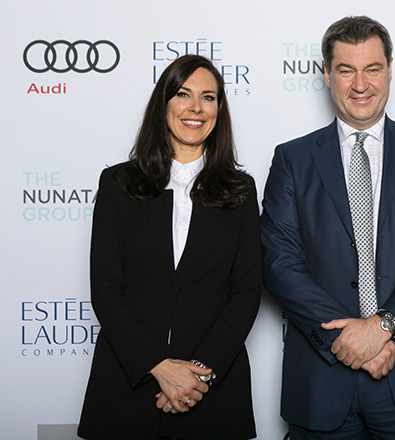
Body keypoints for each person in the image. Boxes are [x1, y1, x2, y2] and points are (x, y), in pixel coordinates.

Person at [261, 15, 395, 439]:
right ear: (326, 74)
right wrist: (354, 339)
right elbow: (279, 264)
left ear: (390, 70)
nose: (361, 84)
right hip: (321, 382)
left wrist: (382, 327)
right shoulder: (292, 160)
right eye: (346, 70)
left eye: (372, 69)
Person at [78, 55, 261, 440]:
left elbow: (246, 294)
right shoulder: (117, 184)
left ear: (219, 110)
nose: (196, 108)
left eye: (208, 97)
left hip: (211, 391)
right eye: (183, 94)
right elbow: (106, 289)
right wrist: (159, 366)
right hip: (127, 386)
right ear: (163, 105)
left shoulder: (241, 192)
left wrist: (198, 373)